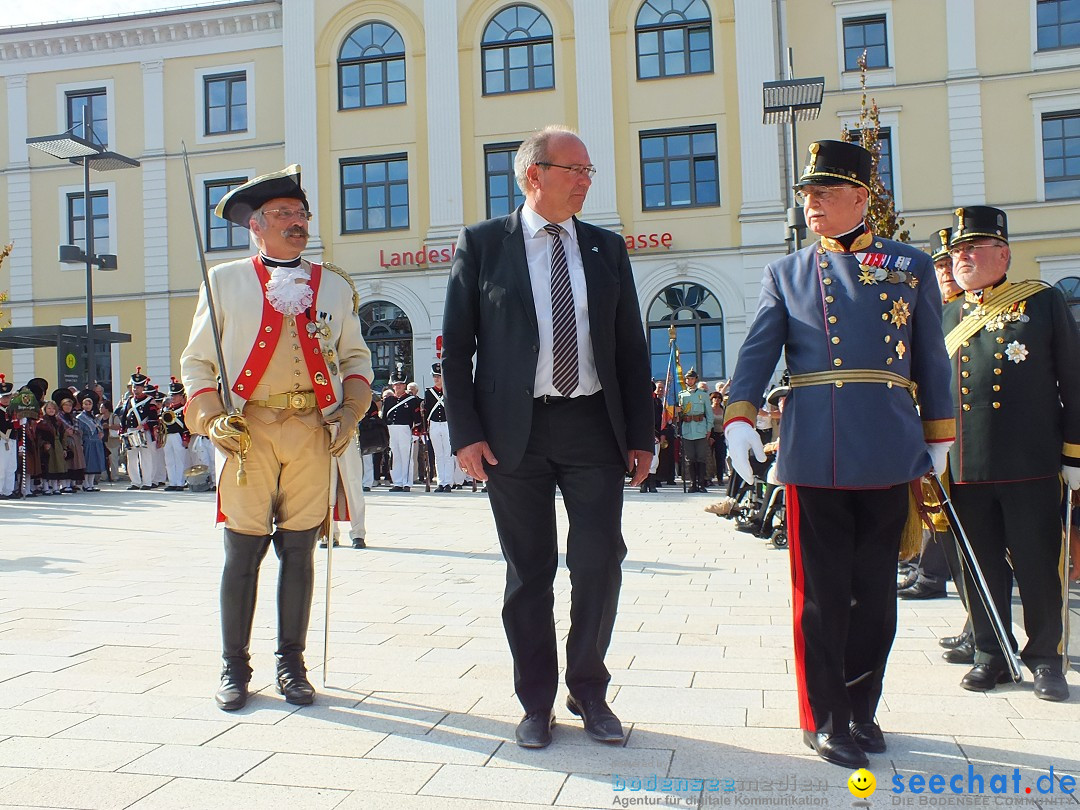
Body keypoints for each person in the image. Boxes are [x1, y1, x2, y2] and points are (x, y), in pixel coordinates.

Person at [723, 140, 954, 768]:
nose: (811, 203)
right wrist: (740, 416)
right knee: (822, 595)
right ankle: (825, 718)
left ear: (861, 196)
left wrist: (939, 434)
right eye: (806, 194)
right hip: (816, 447)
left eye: (824, 192)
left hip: (885, 442)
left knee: (876, 595)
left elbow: (930, 353)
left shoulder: (909, 265)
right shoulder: (789, 273)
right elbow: (756, 351)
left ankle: (861, 708)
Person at [442, 124, 653, 749]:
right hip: (514, 434)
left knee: (598, 562)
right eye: (576, 169)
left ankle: (588, 687)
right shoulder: (483, 245)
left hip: (593, 424)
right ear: (535, 175)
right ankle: (535, 701)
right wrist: (465, 434)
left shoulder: (606, 248)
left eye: (589, 170)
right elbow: (458, 349)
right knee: (528, 571)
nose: (587, 180)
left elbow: (629, 349)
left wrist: (641, 434)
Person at [180, 164, 373, 712]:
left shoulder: (333, 285)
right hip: (250, 432)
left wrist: (351, 412)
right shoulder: (224, 281)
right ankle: (233, 668)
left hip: (314, 431)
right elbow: (196, 363)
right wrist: (213, 418)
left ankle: (292, 664)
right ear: (256, 226)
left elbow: (356, 359)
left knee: (299, 551)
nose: (298, 223)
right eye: (285, 215)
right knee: (241, 551)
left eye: (302, 214)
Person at [942, 205, 1080, 701]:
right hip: (966, 465)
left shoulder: (1041, 302)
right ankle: (990, 654)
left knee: (1038, 565)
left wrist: (1074, 452)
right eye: (958, 249)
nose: (962, 256)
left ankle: (1045, 658)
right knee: (979, 566)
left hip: (1031, 462)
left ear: (1003, 253)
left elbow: (1074, 377)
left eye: (973, 247)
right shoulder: (947, 314)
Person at [382, 366, 422, 491]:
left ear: (404, 385)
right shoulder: (388, 400)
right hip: (391, 430)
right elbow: (384, 417)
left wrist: (416, 432)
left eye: (400, 384)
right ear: (392, 386)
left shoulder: (411, 400)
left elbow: (417, 418)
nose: (398, 386)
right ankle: (397, 482)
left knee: (407, 457)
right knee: (395, 456)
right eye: (395, 384)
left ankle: (407, 483)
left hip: (405, 430)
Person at [118, 369, 158, 490]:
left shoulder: (149, 401)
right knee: (132, 457)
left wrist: (144, 426)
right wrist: (122, 430)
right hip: (131, 431)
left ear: (143, 387)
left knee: (145, 457)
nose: (136, 389)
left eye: (138, 387)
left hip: (143, 432)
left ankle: (147, 482)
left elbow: (154, 419)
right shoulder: (129, 400)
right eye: (134, 386)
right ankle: (135, 482)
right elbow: (124, 416)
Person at [678, 368, 713, 493]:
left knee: (701, 458)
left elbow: (709, 413)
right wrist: (678, 412)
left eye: (692, 378)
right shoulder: (681, 395)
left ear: (695, 379)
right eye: (687, 378)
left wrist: (709, 428)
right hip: (687, 430)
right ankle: (693, 483)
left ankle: (701, 483)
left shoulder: (703, 395)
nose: (689, 380)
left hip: (700, 429)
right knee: (690, 458)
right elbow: (679, 415)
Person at [425, 362, 458, 492]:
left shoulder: (450, 392)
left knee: (448, 455)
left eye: (439, 376)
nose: (436, 378)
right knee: (438, 455)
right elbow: (427, 411)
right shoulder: (429, 393)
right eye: (435, 376)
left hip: (447, 424)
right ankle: (441, 482)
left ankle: (448, 482)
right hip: (434, 424)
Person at [161, 378, 191, 491]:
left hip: (178, 436)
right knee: (169, 460)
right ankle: (172, 482)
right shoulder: (167, 409)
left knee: (180, 460)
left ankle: (180, 482)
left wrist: (185, 437)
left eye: (176, 395)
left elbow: (186, 425)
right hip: (168, 436)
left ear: (181, 396)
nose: (173, 397)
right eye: (172, 395)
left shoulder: (184, 409)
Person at [77, 391, 106, 491]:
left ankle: (91, 483)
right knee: (88, 463)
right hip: (87, 442)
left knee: (95, 463)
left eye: (89, 404)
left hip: (96, 442)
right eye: (85, 404)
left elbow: (100, 428)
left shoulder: (94, 417)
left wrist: (101, 433)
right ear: (82, 405)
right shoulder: (80, 418)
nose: (88, 406)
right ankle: (86, 484)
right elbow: (79, 432)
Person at [0, 376, 15, 499]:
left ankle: (8, 490)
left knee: (11, 466)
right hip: (1, 440)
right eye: (3, 397)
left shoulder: (11, 410)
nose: (6, 399)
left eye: (8, 397)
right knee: (1, 467)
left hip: (12, 439)